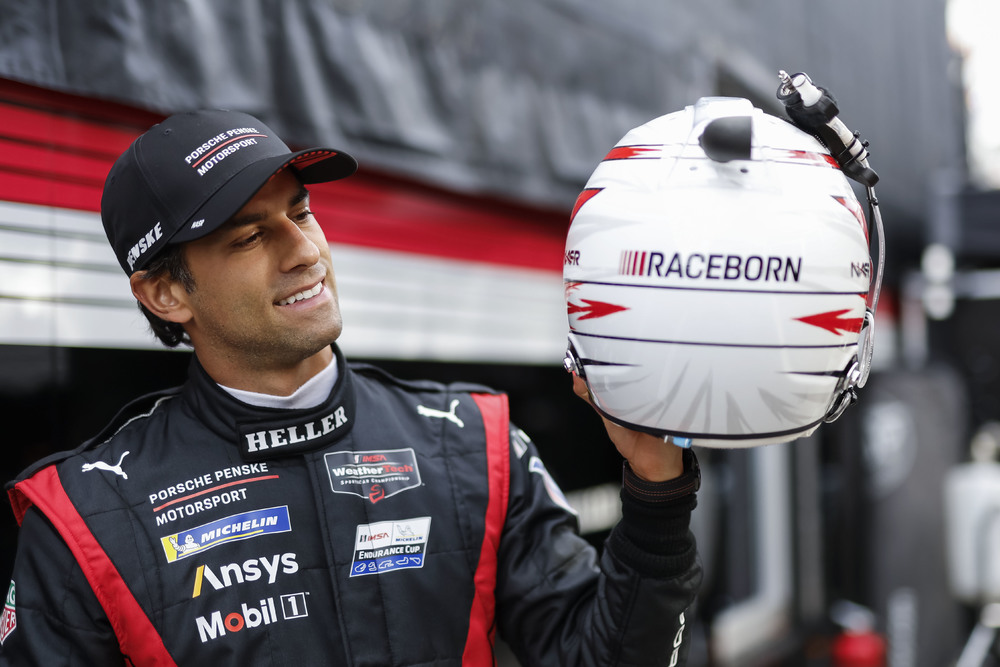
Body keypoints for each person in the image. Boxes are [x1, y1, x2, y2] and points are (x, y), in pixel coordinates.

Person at [0, 109, 701, 665]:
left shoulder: (472, 446)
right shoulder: (85, 519)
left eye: (300, 213)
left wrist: (656, 483)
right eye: (248, 237)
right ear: (164, 293)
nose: (305, 251)